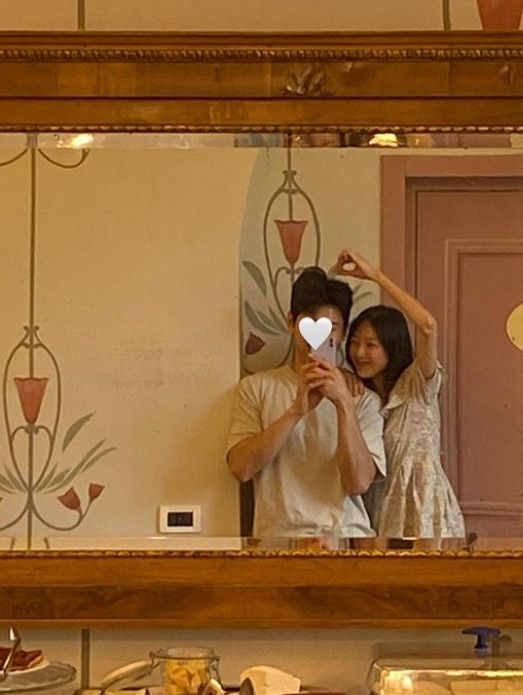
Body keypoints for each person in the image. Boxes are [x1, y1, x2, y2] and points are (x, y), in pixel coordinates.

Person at [226, 267, 386, 538]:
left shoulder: (362, 398)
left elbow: (358, 483)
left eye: (331, 328)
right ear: (291, 322)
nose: (321, 336)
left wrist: (343, 404)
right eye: (310, 323)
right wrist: (296, 411)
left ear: (343, 333)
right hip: (279, 540)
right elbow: (240, 469)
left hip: (348, 537)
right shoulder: (255, 388)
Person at [332, 249, 465, 538]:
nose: (359, 352)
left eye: (371, 345)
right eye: (354, 343)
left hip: (425, 511)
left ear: (391, 345)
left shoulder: (418, 383)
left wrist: (375, 276)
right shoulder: (359, 395)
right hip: (380, 511)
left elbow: (428, 326)